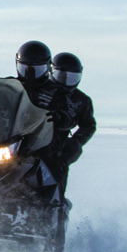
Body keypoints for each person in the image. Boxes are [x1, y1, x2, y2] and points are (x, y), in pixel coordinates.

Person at [47, 51, 96, 198]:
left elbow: (89, 125)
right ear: (52, 72)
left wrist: (75, 142)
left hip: (57, 148)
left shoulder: (81, 100)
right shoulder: (40, 90)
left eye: (72, 77)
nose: (66, 81)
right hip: (28, 140)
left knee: (56, 175)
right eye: (62, 75)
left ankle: (56, 209)